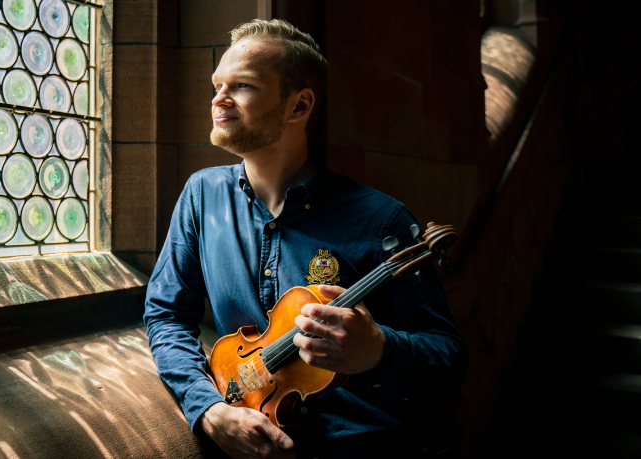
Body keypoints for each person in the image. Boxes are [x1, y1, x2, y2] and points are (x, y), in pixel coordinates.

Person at [143, 19, 468, 459]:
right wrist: (208, 409)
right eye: (217, 84)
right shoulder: (202, 194)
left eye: (243, 86)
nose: (218, 98)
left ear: (298, 107)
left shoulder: (382, 220)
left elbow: (450, 358)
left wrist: (378, 350)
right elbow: (166, 313)